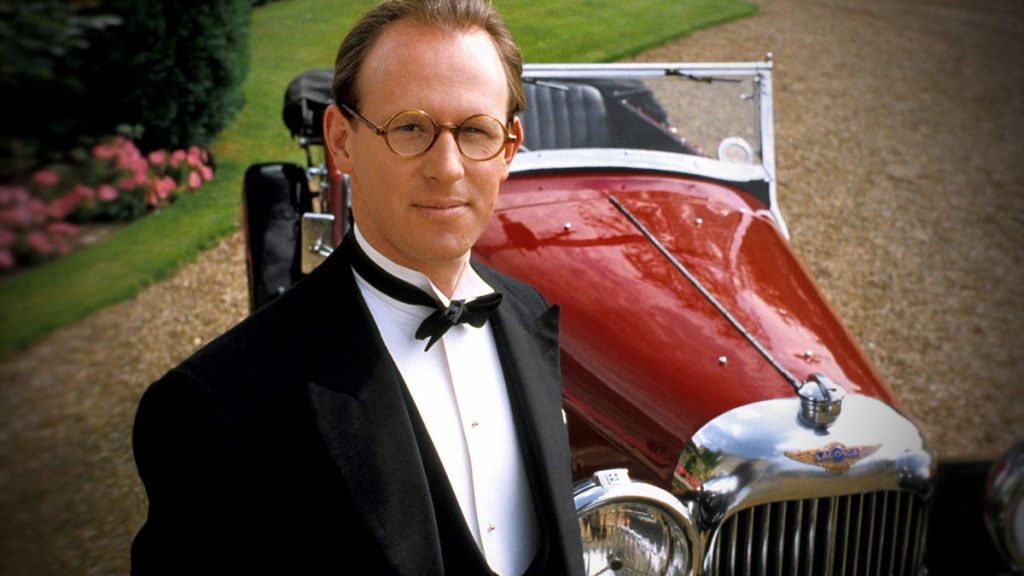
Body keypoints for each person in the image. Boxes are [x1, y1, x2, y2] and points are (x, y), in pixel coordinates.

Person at [130, 0, 584, 574]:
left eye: (474, 131)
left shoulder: (527, 313)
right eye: (411, 128)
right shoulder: (212, 403)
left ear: (509, 148)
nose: (446, 167)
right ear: (341, 140)